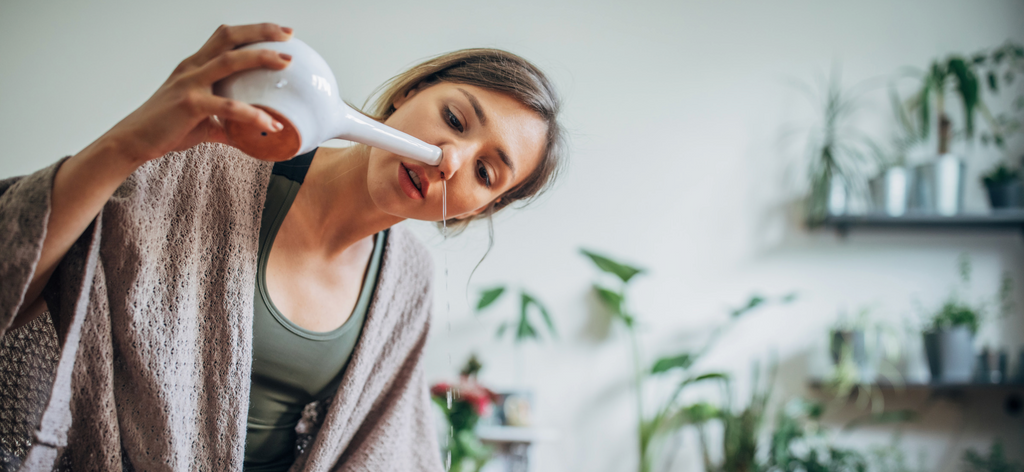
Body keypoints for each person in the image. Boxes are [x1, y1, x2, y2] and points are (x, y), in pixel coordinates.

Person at [0, 22, 565, 471]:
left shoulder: (408, 282)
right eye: (453, 118)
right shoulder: (201, 172)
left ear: (480, 208)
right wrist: (131, 143)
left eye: (487, 173)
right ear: (409, 93)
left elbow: (383, 450)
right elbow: (14, 283)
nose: (450, 160)